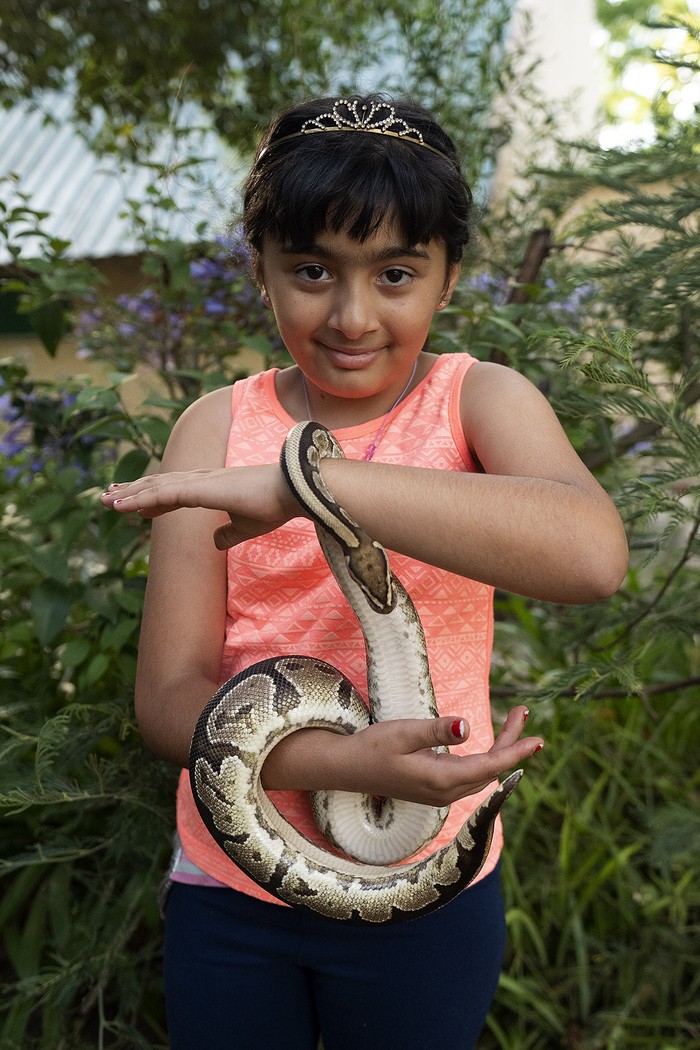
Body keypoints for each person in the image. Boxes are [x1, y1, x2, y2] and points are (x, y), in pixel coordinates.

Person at [100, 94, 628, 1050]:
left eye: (395, 274)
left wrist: (305, 485)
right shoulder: (214, 432)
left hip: (427, 889)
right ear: (259, 271)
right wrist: (340, 764)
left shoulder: (480, 402)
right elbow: (168, 701)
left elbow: (592, 556)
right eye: (310, 271)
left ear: (449, 277)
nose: (351, 316)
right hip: (231, 891)